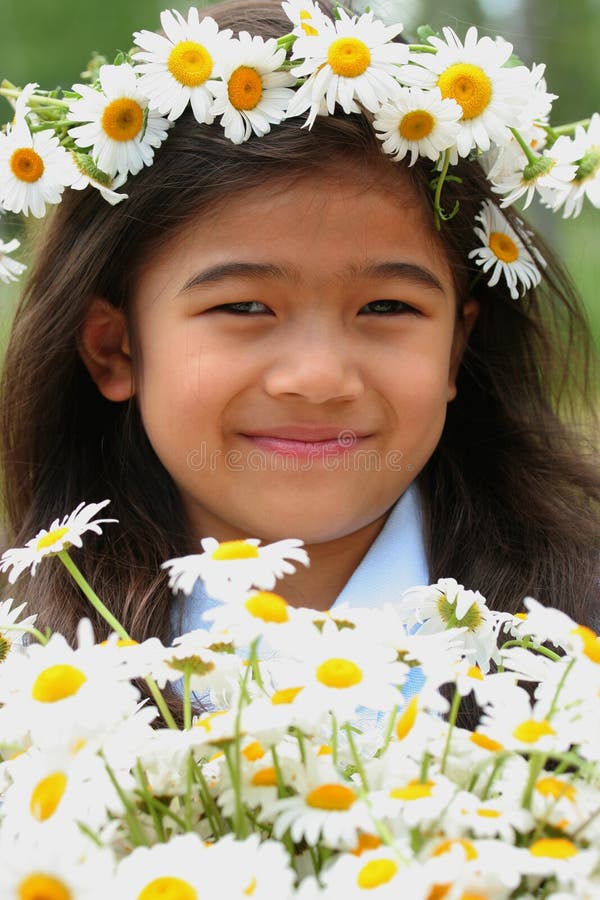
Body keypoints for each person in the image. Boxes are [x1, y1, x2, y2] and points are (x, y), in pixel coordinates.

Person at [0, 0, 598, 663]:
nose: (318, 378)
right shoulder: (28, 674)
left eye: (387, 308)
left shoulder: (574, 654)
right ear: (114, 349)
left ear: (456, 348)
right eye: (246, 308)